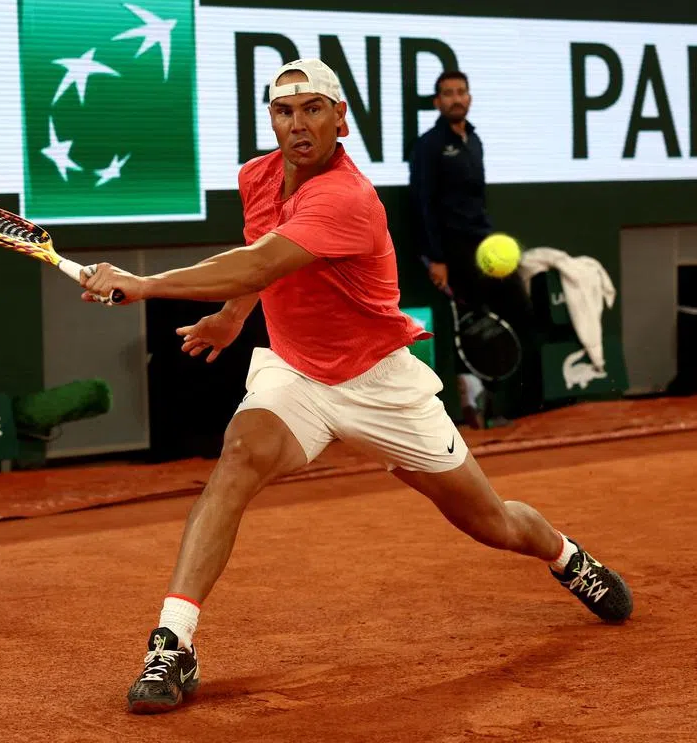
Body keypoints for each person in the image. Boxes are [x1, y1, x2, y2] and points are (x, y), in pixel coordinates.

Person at [80, 58, 633, 716]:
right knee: (238, 458)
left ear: (341, 118)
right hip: (296, 374)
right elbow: (264, 263)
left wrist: (146, 284)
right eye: (284, 112)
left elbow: (258, 261)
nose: (298, 125)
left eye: (313, 109)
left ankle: (566, 556)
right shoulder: (257, 178)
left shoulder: (348, 197)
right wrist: (232, 319)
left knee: (490, 522)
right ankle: (173, 643)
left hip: (379, 385)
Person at [408, 70, 539, 428]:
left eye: (461, 92)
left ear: (469, 97)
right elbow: (422, 203)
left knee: (517, 315)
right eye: (448, 93)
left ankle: (515, 406)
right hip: (453, 252)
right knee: (473, 328)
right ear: (438, 102)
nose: (455, 98)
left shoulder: (474, 140)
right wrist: (435, 257)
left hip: (486, 246)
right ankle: (476, 407)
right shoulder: (429, 145)